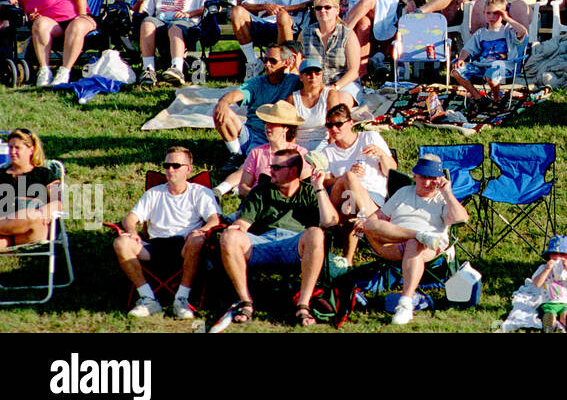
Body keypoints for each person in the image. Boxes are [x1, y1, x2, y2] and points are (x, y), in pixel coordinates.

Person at [218, 147, 339, 328]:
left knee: (316, 233)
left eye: (276, 168)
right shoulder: (260, 190)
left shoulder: (308, 192)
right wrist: (232, 232)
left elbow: (330, 222)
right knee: (230, 237)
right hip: (261, 243)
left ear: (293, 171)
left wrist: (319, 187)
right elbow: (243, 224)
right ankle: (245, 302)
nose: (270, 171)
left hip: (294, 244)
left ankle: (303, 305)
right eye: (271, 166)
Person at [360, 153, 469, 326]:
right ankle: (418, 233)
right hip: (393, 242)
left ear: (440, 179)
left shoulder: (442, 199)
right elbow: (378, 216)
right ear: (415, 176)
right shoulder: (403, 192)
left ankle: (405, 303)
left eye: (432, 178)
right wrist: (362, 222)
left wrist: (447, 193)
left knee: (414, 244)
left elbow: (461, 218)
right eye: (423, 177)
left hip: (426, 247)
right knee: (369, 225)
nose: (427, 183)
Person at [111, 146, 220, 319]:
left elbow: (215, 220)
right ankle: (148, 299)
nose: (170, 170)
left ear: (188, 169)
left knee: (198, 240)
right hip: (155, 246)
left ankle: (181, 299)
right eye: (167, 165)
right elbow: (130, 218)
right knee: (121, 243)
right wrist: (132, 231)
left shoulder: (200, 193)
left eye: (176, 166)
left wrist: (201, 230)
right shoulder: (154, 193)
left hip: (186, 245)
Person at [0, 0, 95, 87]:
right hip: (54, 25)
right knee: (40, 23)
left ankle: (64, 71)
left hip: (77, 17)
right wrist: (32, 17)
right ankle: (45, 70)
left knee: (76, 26)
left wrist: (82, 13)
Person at [318, 103, 396, 264]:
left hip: (372, 201)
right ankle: (373, 226)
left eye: (339, 124)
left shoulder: (369, 138)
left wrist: (382, 155)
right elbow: (325, 183)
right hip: (341, 202)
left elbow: (392, 171)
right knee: (348, 179)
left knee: (351, 205)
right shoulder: (328, 151)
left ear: (351, 123)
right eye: (329, 125)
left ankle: (347, 260)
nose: (334, 129)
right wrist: (347, 178)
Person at [212, 42, 301, 177]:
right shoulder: (257, 82)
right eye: (265, 60)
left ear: (286, 63)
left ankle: (239, 172)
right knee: (221, 110)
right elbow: (236, 94)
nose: (267, 64)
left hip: (273, 136)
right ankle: (236, 154)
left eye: (273, 61)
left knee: (253, 168)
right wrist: (223, 102)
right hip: (250, 133)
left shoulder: (294, 81)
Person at [135, 0, 210, 87]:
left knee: (175, 27)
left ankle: (177, 68)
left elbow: (212, 6)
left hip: (185, 25)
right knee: (147, 23)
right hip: (161, 23)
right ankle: (148, 69)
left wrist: (190, 13)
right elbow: (142, 12)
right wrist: (140, 1)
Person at [452, 0, 529, 103]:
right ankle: (478, 98)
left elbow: (523, 32)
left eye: (496, 13)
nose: (491, 16)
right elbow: (468, 48)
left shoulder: (508, 31)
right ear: (484, 13)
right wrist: (461, 59)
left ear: (502, 14)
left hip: (504, 65)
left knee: (491, 73)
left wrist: (507, 18)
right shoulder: (481, 33)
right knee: (456, 72)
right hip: (483, 65)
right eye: (488, 13)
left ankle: (497, 98)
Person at [302, 0, 362, 109]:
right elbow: (298, 63)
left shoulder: (348, 35)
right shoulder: (305, 33)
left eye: (327, 7)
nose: (323, 11)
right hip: (313, 83)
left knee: (337, 107)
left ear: (337, 10)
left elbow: (354, 71)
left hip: (343, 84)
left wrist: (335, 87)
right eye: (318, 8)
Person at [0, 130, 59, 249]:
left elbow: (58, 200)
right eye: (10, 147)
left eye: (17, 148)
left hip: (30, 234)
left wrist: (51, 206)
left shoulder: (45, 174)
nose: (12, 152)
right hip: (4, 234)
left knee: (33, 215)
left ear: (31, 149)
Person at [529, 235, 567, 332]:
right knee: (549, 314)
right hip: (548, 302)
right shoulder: (543, 268)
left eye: (562, 255)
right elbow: (537, 283)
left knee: (566, 314)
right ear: (550, 255)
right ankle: (549, 325)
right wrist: (547, 269)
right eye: (555, 254)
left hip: (565, 303)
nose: (558, 257)